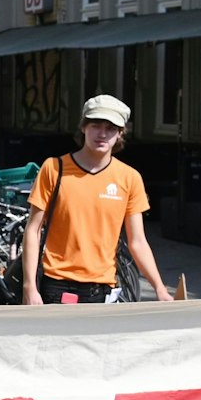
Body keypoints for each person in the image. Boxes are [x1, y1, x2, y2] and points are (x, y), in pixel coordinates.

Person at [20, 95, 174, 305]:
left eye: (111, 128)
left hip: (101, 289)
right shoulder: (54, 168)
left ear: (120, 134)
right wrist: (29, 286)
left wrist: (160, 288)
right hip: (56, 285)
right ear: (83, 127)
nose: (102, 134)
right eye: (95, 125)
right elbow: (33, 229)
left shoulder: (129, 178)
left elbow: (137, 241)